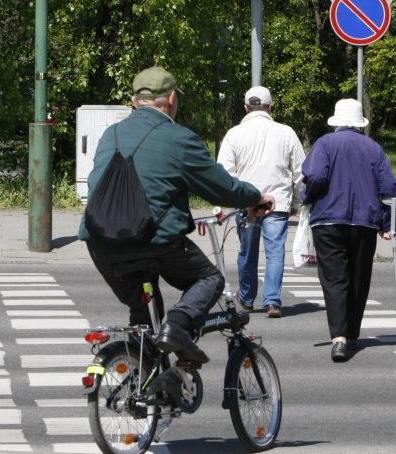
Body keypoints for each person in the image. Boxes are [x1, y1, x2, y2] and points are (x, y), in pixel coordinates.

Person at [79, 67, 274, 365]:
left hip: (101, 242)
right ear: (171, 98)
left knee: (144, 321)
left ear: (134, 101)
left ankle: (148, 387)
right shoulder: (178, 138)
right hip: (154, 239)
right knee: (209, 279)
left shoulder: (111, 134)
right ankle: (178, 326)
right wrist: (256, 198)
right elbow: (220, 187)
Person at [301, 99, 396, 363]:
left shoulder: (324, 144)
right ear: (359, 123)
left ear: (337, 121)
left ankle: (339, 338)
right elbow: (389, 187)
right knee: (359, 276)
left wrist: (308, 197)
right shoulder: (374, 148)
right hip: (365, 220)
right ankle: (352, 332)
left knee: (334, 279)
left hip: (328, 219)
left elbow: (316, 177)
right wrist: (388, 223)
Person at [217, 86, 305, 319]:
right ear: (270, 107)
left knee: (247, 252)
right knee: (275, 252)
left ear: (245, 107)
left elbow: (225, 173)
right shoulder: (286, 132)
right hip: (277, 203)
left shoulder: (233, 134)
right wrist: (296, 201)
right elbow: (300, 172)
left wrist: (236, 199)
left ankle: (246, 299)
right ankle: (273, 301)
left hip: (247, 203)